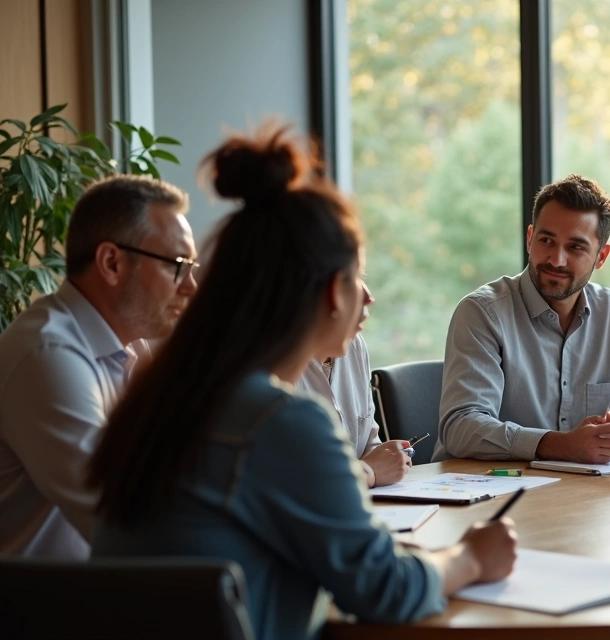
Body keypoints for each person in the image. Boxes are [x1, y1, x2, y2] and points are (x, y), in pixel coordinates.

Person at [88, 127, 516, 639]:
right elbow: (385, 591)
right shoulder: (278, 419)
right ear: (334, 292)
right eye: (357, 275)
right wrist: (469, 557)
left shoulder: (165, 395)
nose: (369, 298)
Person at [0, 175, 197, 559]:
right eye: (177, 265)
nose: (190, 286)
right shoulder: (47, 355)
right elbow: (121, 519)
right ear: (111, 263)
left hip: (91, 600)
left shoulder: (131, 349)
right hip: (33, 614)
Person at [434, 174, 610, 462]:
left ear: (601, 256)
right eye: (546, 240)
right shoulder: (483, 312)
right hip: (483, 493)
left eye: (576, 247)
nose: (556, 260)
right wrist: (561, 445)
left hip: (575, 492)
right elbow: (461, 427)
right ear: (529, 238)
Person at [298, 333, 415, 488]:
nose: (366, 311)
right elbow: (297, 480)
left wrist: (387, 458)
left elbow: (367, 444)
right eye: (358, 306)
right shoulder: (274, 361)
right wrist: (370, 472)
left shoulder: (354, 343)